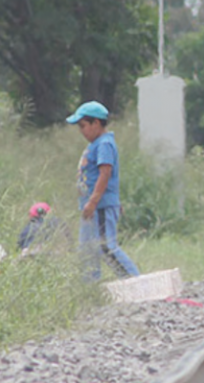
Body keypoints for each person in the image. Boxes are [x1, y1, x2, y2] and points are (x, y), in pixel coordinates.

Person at [66, 101, 140, 281]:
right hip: (90, 208)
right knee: (87, 250)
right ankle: (89, 288)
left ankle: (135, 281)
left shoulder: (104, 144)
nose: (81, 131)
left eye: (83, 126)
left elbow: (105, 173)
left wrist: (93, 201)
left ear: (96, 123)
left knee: (105, 247)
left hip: (99, 206)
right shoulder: (96, 144)